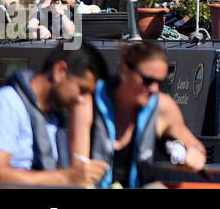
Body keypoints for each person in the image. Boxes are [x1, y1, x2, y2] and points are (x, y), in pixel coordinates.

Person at [71, 41, 207, 187]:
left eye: (160, 83)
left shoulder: (162, 107)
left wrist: (194, 154)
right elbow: (79, 171)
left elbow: (196, 147)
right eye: (148, 81)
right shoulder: (88, 102)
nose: (154, 89)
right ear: (124, 72)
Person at [0, 42, 109, 185]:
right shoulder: (4, 105)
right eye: (81, 89)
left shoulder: (52, 118)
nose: (81, 99)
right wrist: (66, 178)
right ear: (60, 71)